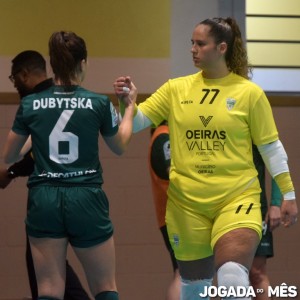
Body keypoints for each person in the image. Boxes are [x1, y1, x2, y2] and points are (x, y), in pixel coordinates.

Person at [114, 17, 298, 299]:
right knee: (194, 288)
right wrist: (127, 102)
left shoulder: (249, 93)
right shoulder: (176, 89)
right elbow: (137, 121)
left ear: (222, 47)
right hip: (187, 205)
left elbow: (271, 148)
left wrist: (287, 194)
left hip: (236, 198)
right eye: (192, 43)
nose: (193, 49)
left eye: (201, 44)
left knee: (232, 278)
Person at [2, 31, 136, 300]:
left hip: (44, 198)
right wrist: (129, 106)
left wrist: (35, 133)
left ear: (51, 65)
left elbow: (9, 155)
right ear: (83, 63)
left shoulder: (30, 104)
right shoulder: (98, 103)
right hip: (86, 196)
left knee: (49, 290)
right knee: (105, 287)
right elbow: (120, 146)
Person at [0, 50, 91, 300]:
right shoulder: (63, 97)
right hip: (79, 196)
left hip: (47, 198)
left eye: (14, 78)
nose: (15, 84)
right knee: (66, 270)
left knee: (42, 273)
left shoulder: (35, 104)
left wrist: (10, 171)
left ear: (25, 74)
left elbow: (41, 154)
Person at [148, 121, 180, 300]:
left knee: (189, 273)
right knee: (184, 273)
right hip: (176, 217)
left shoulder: (167, 135)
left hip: (177, 216)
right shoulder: (163, 136)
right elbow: (174, 175)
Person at [250, 145, 282, 300]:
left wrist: (276, 203)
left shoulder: (258, 122)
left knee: (257, 273)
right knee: (229, 272)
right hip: (222, 208)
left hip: (256, 209)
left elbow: (277, 159)